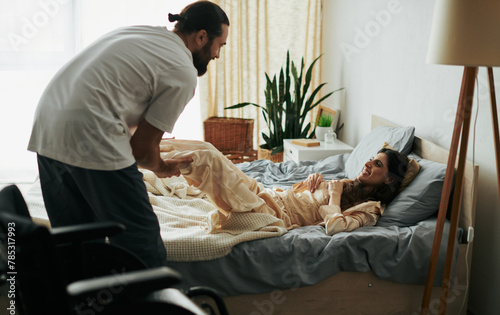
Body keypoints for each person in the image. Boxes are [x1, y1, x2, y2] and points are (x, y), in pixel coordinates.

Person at [27, 1, 230, 267]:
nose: (217, 54)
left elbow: (116, 91)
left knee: (77, 242)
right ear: (202, 36)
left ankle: (85, 306)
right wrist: (161, 166)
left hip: (48, 126)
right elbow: (142, 152)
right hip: (92, 133)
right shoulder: (183, 71)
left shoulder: (141, 33)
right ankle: (142, 306)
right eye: (219, 45)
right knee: (143, 245)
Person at [159, 140, 410, 235]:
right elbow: (303, 195)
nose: (367, 163)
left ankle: (147, 158)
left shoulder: (372, 208)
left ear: (389, 179)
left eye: (377, 164)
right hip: (268, 195)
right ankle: (149, 145)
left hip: (270, 214)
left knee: (209, 162)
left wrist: (334, 197)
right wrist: (311, 182)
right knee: (210, 148)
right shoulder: (349, 183)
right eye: (372, 158)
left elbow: (335, 227)